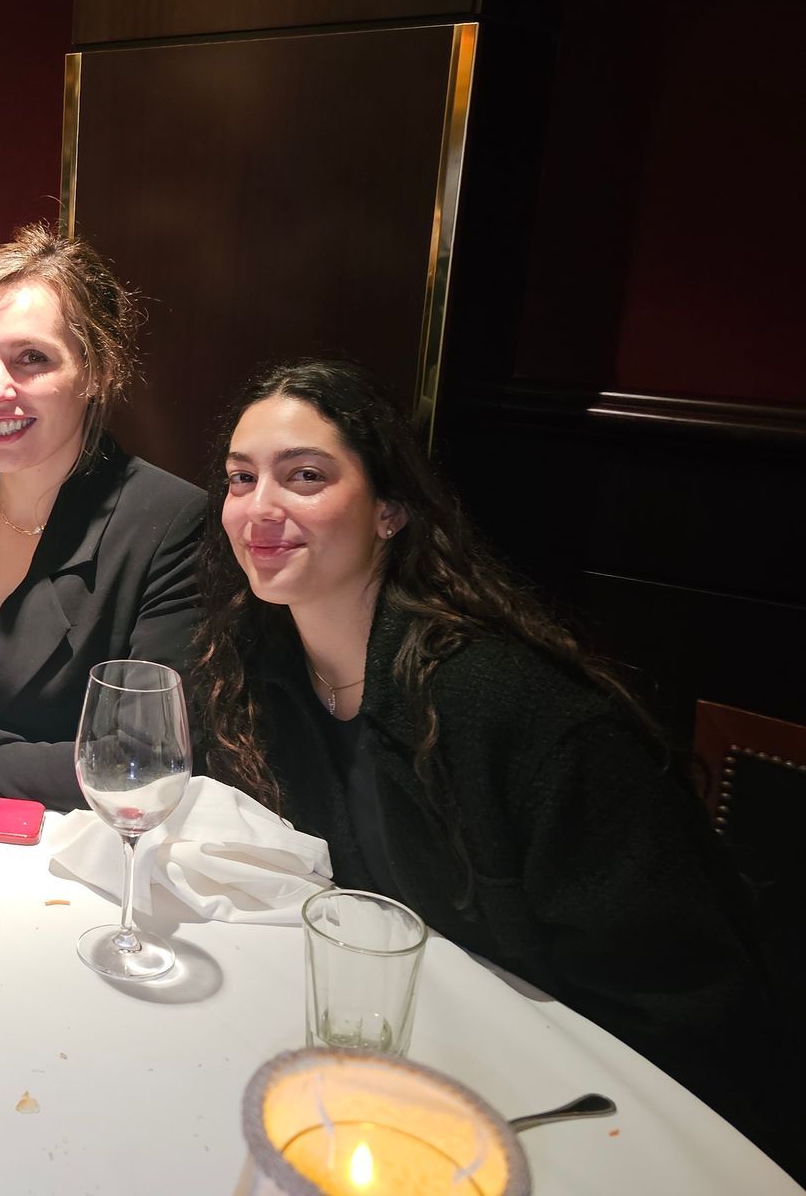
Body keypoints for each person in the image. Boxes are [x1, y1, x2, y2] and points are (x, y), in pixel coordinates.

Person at [194, 357, 798, 1171]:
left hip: (589, 1119)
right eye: (240, 479)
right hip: (406, 1085)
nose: (260, 508)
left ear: (390, 511)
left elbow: (690, 1006)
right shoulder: (257, 669)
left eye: (305, 476)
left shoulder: (512, 710)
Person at [0, 224, 203, 807]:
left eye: (31, 359)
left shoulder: (169, 523)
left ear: (96, 371)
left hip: (74, 866)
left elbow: (140, 764)